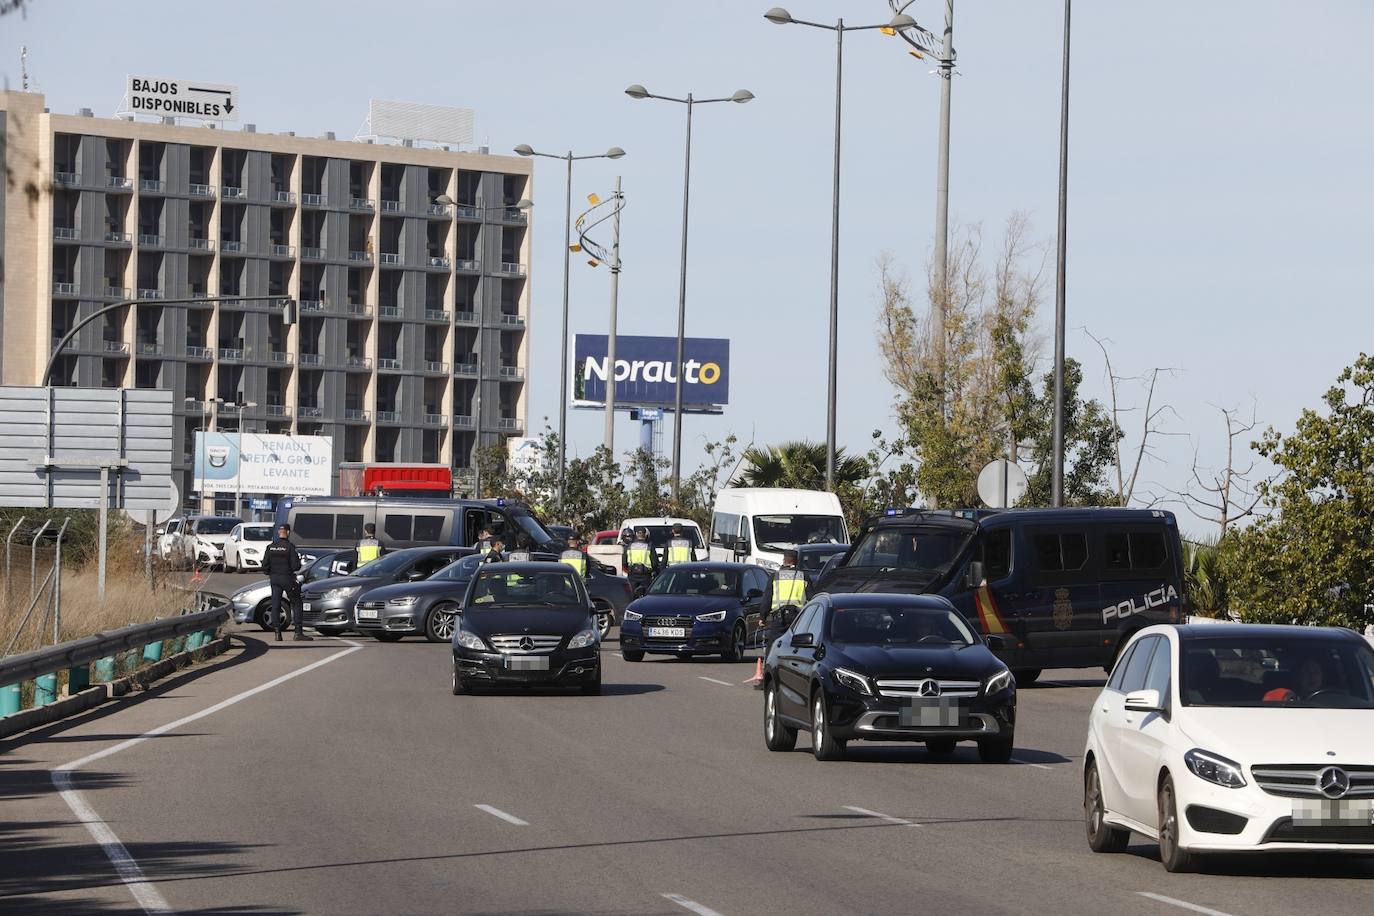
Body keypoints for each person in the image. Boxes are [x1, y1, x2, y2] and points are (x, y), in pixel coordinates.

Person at [264, 523, 311, 642]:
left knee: (275, 603)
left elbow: (264, 566)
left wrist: (272, 573)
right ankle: (298, 632)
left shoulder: (270, 547)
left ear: (279, 533)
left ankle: (277, 633)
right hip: (287, 578)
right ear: (288, 533)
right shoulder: (290, 547)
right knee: (296, 602)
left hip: (274, 579)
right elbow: (296, 566)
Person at [764, 549, 807, 637]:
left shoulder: (775, 576)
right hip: (798, 617)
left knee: (774, 645)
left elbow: (767, 598)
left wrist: (763, 616)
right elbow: (811, 597)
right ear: (796, 561)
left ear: (784, 561)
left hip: (779, 617)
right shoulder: (803, 576)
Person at [625, 526, 659, 597]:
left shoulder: (629, 546)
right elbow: (655, 562)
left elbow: (624, 562)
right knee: (646, 595)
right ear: (645, 534)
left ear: (636, 534)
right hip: (645, 575)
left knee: (631, 595)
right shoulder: (649, 546)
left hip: (632, 574)